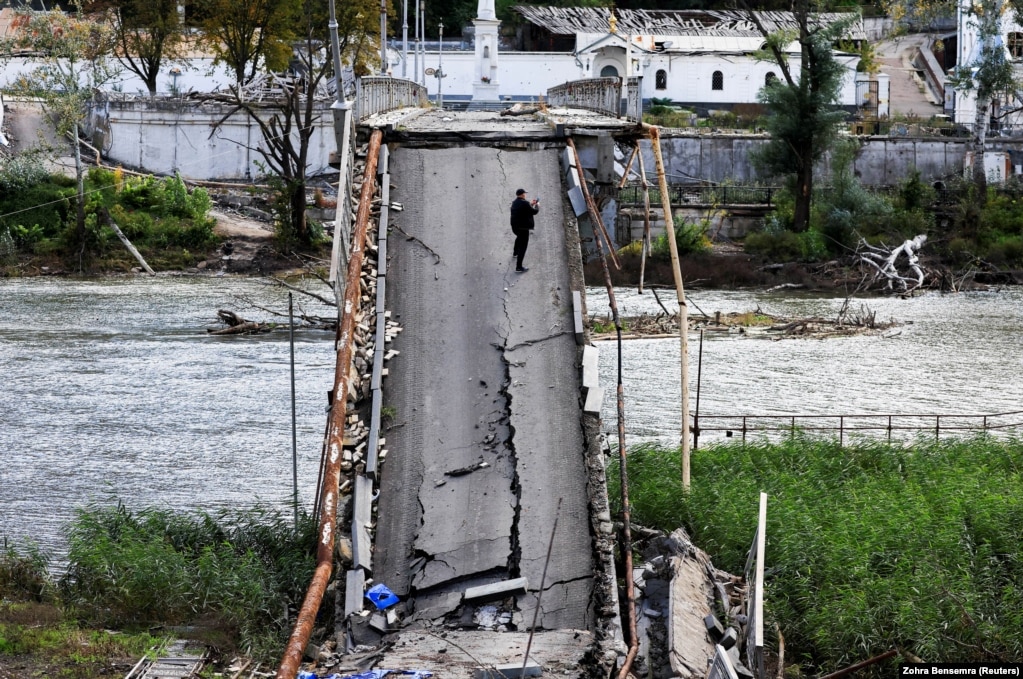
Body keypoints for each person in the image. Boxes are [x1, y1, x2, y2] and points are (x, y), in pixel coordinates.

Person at [510, 188, 539, 273]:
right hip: (523, 228)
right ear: (522, 195)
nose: (525, 195)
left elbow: (524, 208)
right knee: (523, 246)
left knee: (519, 237)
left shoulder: (515, 202)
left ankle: (515, 252)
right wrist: (537, 205)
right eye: (525, 194)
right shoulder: (525, 203)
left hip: (515, 227)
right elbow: (534, 212)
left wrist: (530, 204)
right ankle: (519, 267)